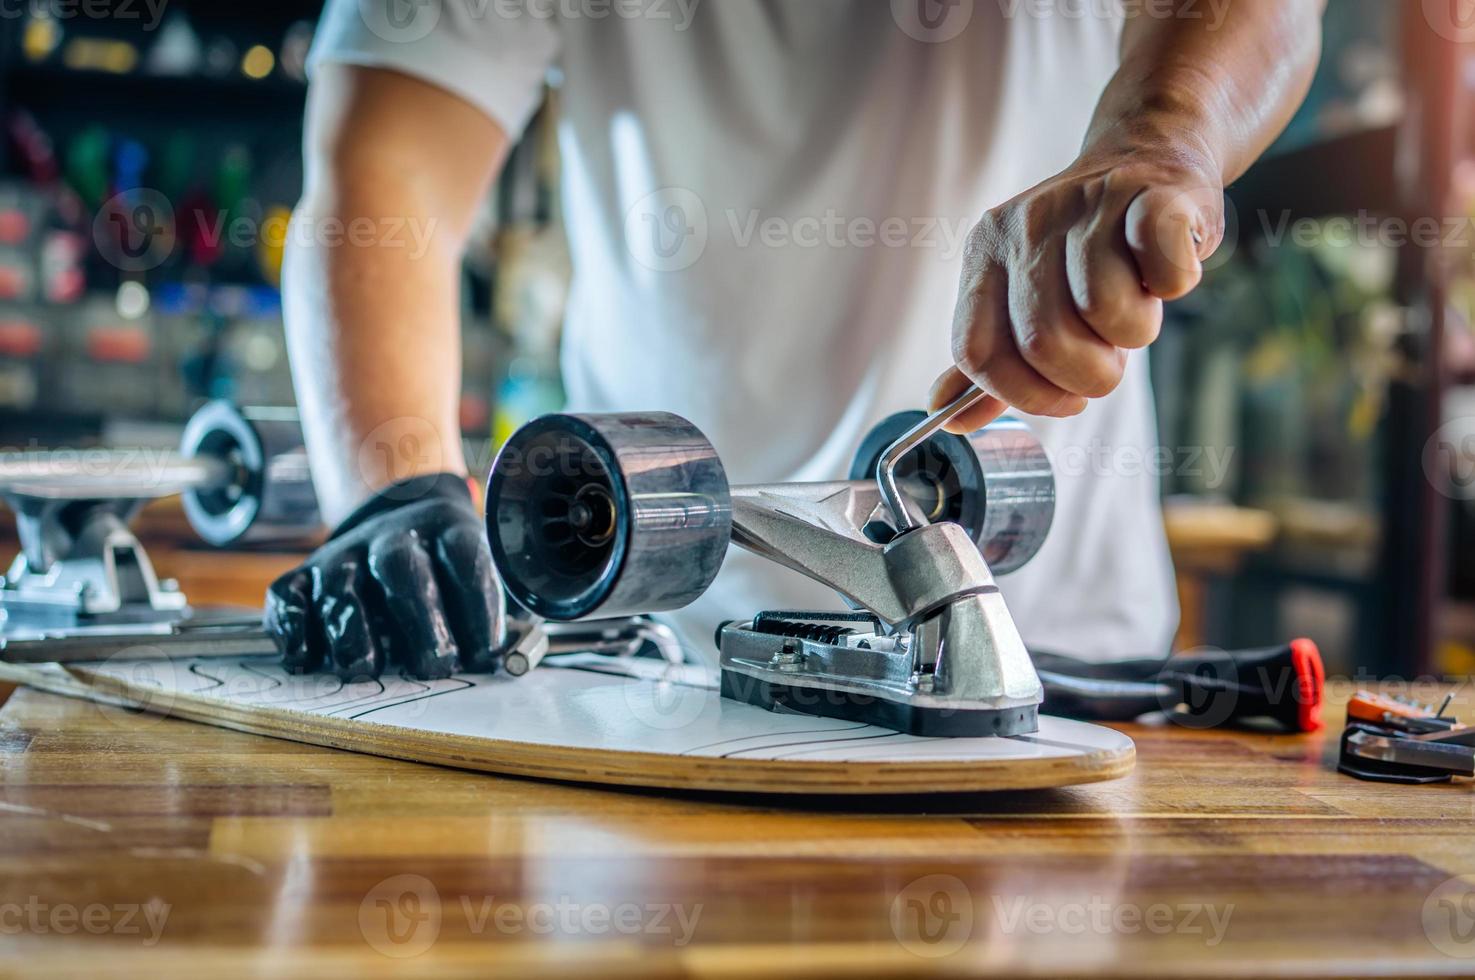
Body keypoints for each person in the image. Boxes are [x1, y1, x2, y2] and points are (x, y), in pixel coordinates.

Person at [265, 0, 1325, 678]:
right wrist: (395, 489)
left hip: (1044, 661)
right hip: (656, 663)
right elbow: (384, 175)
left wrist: (1158, 139)